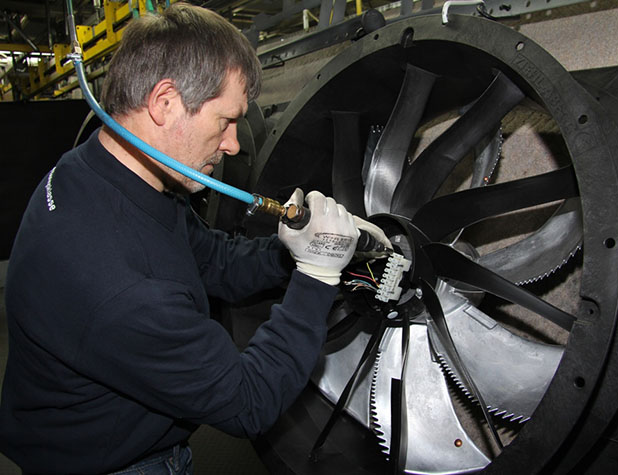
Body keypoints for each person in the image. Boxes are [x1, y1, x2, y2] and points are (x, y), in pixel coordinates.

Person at [0, 3, 388, 474]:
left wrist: (288, 250)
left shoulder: (109, 172)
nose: (233, 145)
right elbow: (249, 402)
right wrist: (316, 274)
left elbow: (212, 261)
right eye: (225, 121)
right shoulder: (115, 281)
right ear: (165, 103)